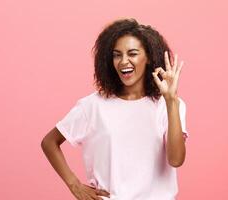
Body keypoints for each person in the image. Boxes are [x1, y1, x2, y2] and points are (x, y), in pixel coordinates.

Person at [41, 18, 188, 200]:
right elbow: (49, 142)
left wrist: (171, 101)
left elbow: (176, 160)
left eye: (132, 53)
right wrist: (75, 185)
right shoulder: (93, 106)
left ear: (148, 57)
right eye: (117, 55)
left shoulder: (170, 105)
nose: (123, 61)